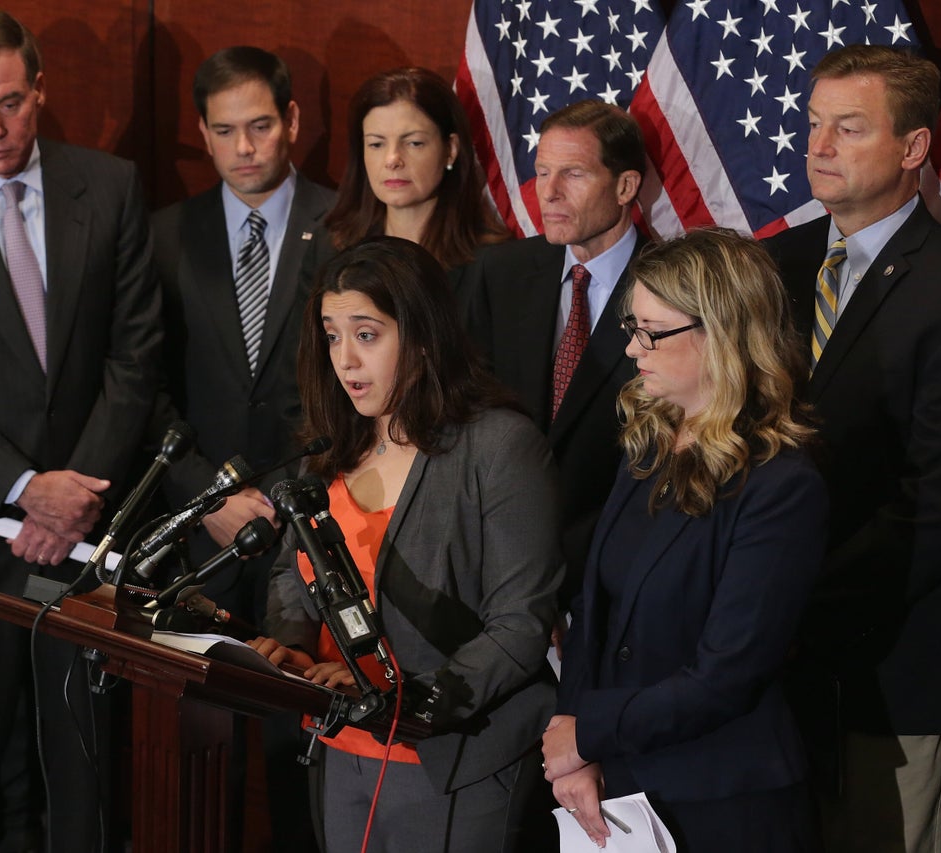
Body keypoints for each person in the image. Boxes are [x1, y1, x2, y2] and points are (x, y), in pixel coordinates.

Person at [0, 7, 161, 852]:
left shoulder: (111, 185)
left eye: (9, 103)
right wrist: (24, 492)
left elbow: (134, 363)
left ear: (39, 90)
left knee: (81, 778)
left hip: (83, 541)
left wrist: (67, 500)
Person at [762, 44, 941, 853]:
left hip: (882, 676)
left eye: (848, 128)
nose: (819, 146)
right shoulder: (772, 266)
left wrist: (794, 604)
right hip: (763, 675)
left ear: (914, 149)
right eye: (813, 126)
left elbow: (939, 508)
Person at [254, 237, 563, 852]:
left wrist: (404, 704)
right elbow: (295, 573)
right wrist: (287, 647)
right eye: (332, 335)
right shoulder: (330, 447)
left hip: (451, 758)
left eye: (366, 335)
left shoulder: (500, 446)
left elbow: (520, 624)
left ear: (421, 338)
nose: (345, 360)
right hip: (337, 748)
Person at [540, 227, 827, 851]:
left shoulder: (782, 486)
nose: (635, 349)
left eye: (654, 332)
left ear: (721, 336)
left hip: (723, 802)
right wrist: (576, 742)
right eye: (632, 327)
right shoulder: (648, 444)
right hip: (616, 785)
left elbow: (725, 676)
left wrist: (588, 732)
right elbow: (593, 614)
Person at [150, 45, 334, 852]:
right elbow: (144, 388)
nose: (245, 148)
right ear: (203, 132)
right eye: (225, 131)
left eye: (261, 125)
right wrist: (207, 497)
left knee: (299, 744)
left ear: (292, 121)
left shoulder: (345, 222)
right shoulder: (164, 234)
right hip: (203, 531)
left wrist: (296, 500)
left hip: (316, 522)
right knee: (198, 745)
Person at [462, 98, 648, 609]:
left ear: (626, 186)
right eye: (542, 171)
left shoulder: (672, 288)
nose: (548, 192)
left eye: (573, 174)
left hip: (612, 579)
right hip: (496, 573)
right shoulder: (501, 273)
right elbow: (471, 417)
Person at [320, 66, 507, 282]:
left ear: (450, 150)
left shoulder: (493, 262)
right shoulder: (329, 246)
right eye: (376, 144)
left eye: (414, 143)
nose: (392, 160)